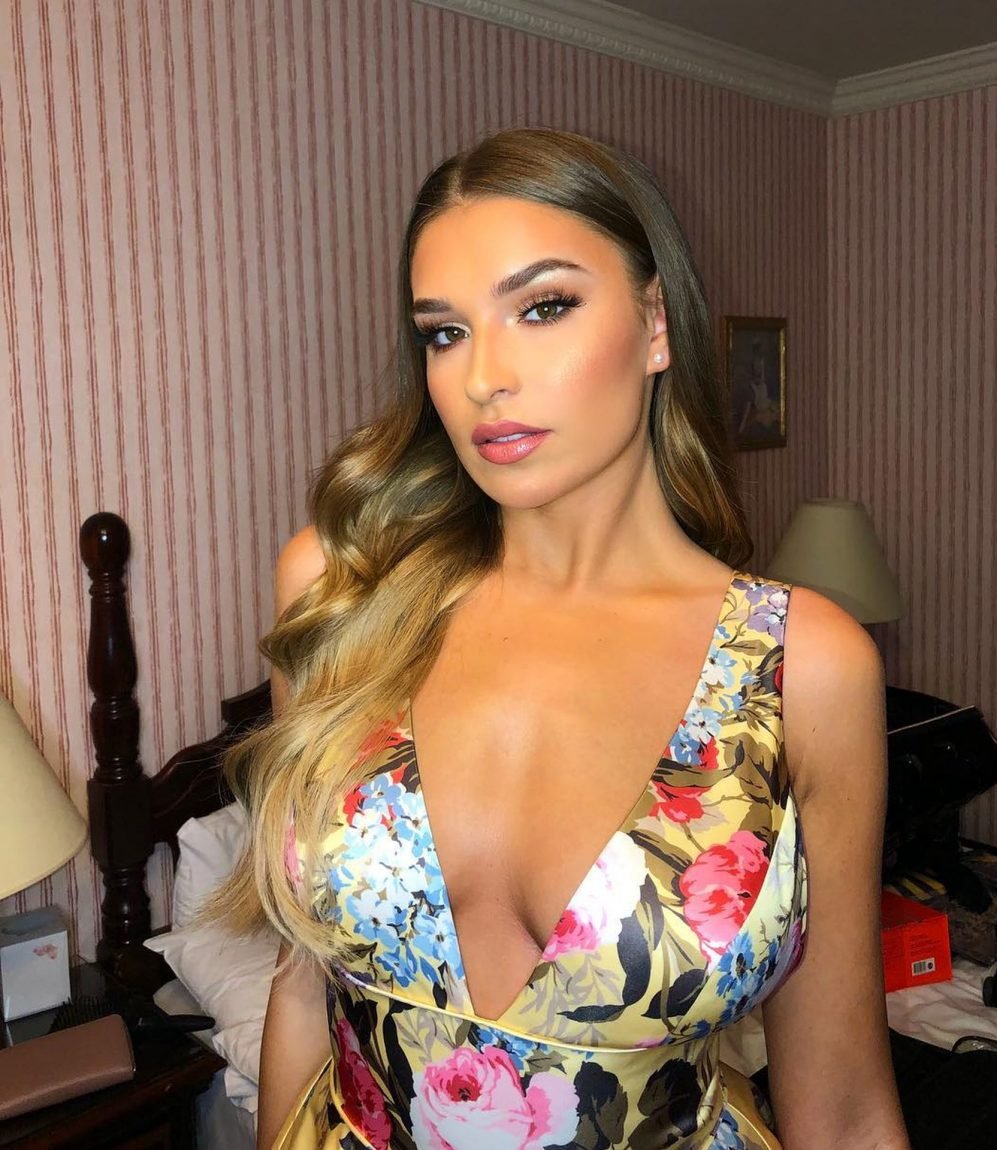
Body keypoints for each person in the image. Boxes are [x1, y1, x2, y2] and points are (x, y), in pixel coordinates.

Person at [217, 128, 910, 1150]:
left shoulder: (799, 665)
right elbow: (301, 982)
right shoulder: (341, 591)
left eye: (542, 308)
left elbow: (841, 1103)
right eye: (444, 332)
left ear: (656, 325)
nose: (483, 376)